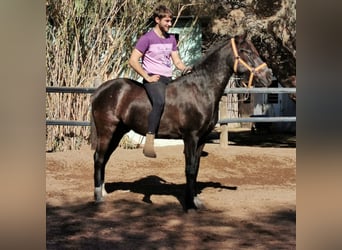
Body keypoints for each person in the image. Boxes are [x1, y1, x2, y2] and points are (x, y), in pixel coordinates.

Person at [129, 5, 191, 158]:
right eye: (167, 21)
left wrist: (186, 69)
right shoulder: (147, 38)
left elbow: (177, 61)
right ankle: (149, 140)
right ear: (157, 20)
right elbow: (133, 60)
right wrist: (147, 76)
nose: (170, 24)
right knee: (158, 102)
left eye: (170, 21)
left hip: (168, 79)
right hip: (153, 80)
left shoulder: (171, 39)